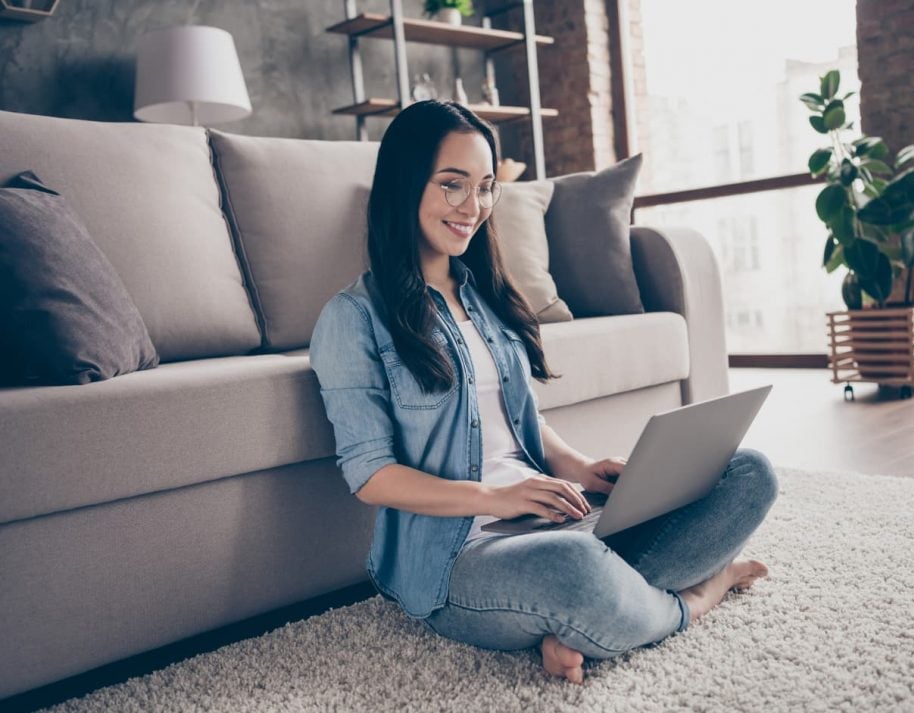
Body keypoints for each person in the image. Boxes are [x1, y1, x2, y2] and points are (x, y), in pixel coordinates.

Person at [309, 100, 778, 686]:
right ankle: (697, 596)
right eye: (452, 185)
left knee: (748, 472)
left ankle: (593, 618)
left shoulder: (484, 295)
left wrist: (582, 469)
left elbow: (518, 421)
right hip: (462, 557)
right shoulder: (352, 318)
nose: (472, 207)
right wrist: (497, 498)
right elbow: (370, 475)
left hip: (556, 514)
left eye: (484, 188)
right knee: (577, 568)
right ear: (404, 185)